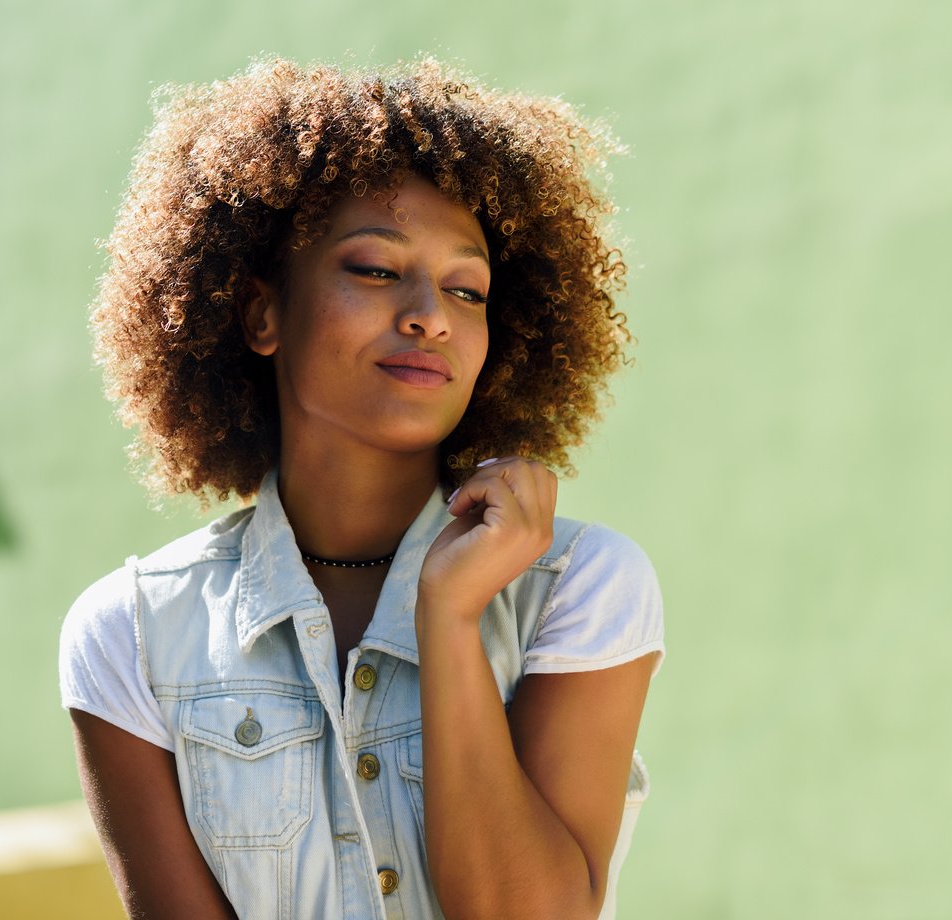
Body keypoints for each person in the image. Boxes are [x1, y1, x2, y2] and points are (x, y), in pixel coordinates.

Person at [58, 57, 665, 920]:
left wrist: (450, 618)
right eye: (377, 270)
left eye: (468, 288)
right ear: (262, 314)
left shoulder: (583, 587)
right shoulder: (130, 637)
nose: (431, 314)